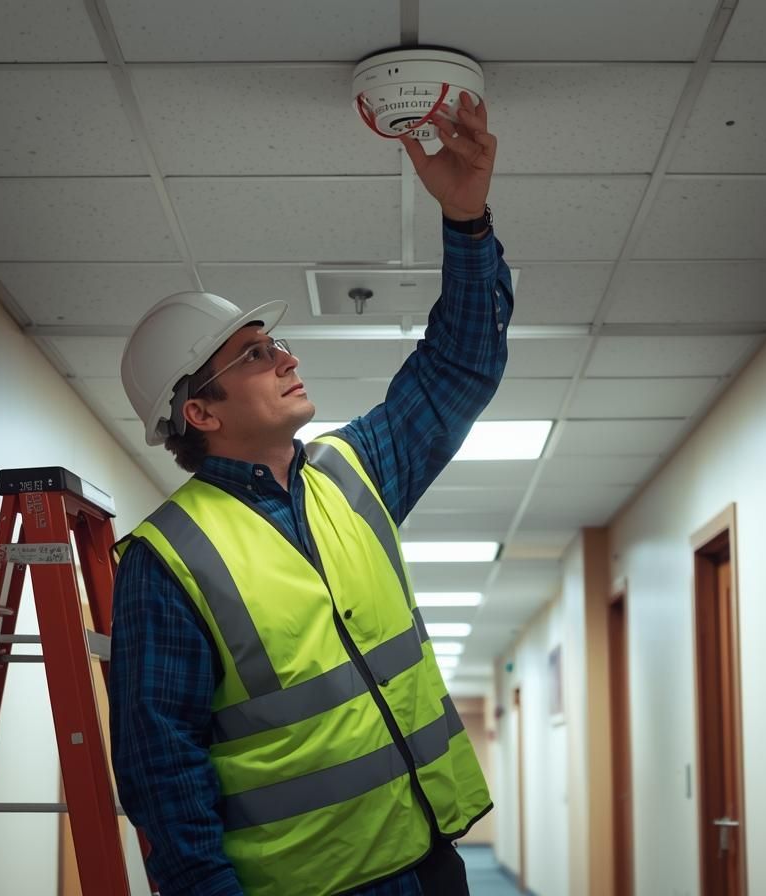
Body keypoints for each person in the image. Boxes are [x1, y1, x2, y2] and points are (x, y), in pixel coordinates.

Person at [109, 94, 510, 896]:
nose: (285, 357)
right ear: (200, 411)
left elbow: (458, 369)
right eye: (255, 353)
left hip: (432, 861)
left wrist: (466, 221)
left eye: (275, 342)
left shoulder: (351, 470)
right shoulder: (167, 560)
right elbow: (163, 767)